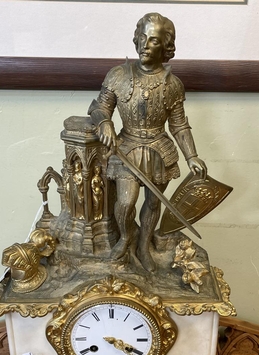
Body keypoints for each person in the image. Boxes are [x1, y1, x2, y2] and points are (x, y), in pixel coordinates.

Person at [88, 12, 207, 272]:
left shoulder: (172, 84)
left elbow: (179, 125)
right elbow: (98, 107)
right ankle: (126, 237)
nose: (145, 45)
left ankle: (143, 244)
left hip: (158, 150)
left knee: (153, 203)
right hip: (126, 148)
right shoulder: (118, 75)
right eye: (142, 38)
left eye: (153, 40)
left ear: (165, 46)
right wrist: (104, 122)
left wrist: (192, 156)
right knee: (125, 203)